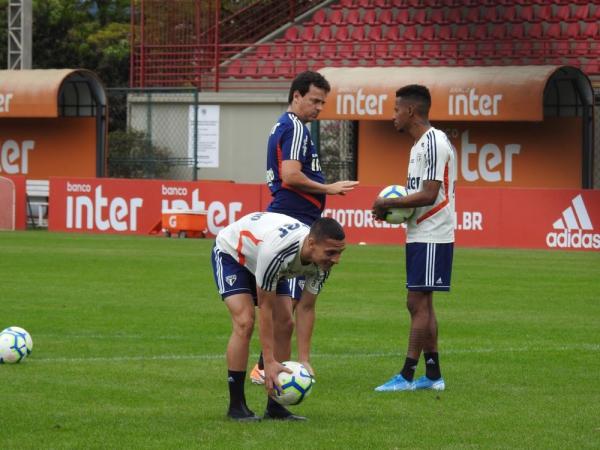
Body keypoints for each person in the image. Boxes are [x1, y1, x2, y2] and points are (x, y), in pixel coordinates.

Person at [250, 70, 358, 385]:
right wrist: (330, 189)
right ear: (296, 96)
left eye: (322, 103)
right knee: (284, 302)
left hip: (290, 218)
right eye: (314, 101)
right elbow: (291, 176)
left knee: (289, 304)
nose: (318, 108)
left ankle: (270, 365)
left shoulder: (284, 126)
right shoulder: (295, 128)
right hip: (290, 220)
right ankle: (265, 365)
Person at [211, 211, 346, 421]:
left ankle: (276, 408)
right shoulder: (277, 252)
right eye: (331, 253)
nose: (336, 259)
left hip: (271, 262)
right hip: (234, 254)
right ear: (311, 244)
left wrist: (304, 359)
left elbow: (306, 308)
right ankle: (236, 406)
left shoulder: (323, 265)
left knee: (285, 323)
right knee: (245, 322)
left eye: (340, 252)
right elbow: (265, 307)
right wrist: (269, 360)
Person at [372, 84, 456, 392]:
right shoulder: (418, 146)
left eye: (396, 110)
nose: (392, 116)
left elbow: (429, 194)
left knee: (416, 302)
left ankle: (407, 376)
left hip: (434, 232)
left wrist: (387, 203)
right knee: (422, 303)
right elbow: (417, 196)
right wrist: (391, 210)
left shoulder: (434, 142)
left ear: (410, 111)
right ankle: (433, 375)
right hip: (421, 231)